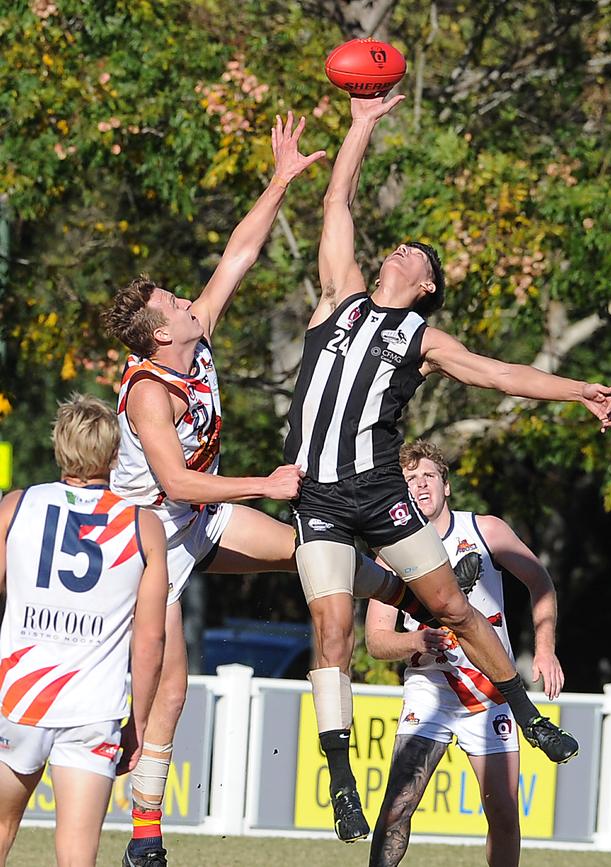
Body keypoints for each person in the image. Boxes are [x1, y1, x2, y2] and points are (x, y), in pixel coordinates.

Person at [282, 93, 611, 842]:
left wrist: (577, 390)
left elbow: (502, 376)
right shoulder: (338, 297)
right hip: (321, 499)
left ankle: (525, 714)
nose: (399, 251)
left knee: (455, 609)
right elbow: (337, 199)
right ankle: (343, 786)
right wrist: (361, 125)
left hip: (379, 491)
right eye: (397, 245)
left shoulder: (421, 336)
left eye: (416, 254)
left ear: (427, 284)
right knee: (331, 632)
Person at [103, 112, 424, 866]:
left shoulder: (195, 334)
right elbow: (177, 479)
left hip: (191, 519)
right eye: (177, 303)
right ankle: (143, 841)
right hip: (143, 537)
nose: (191, 299)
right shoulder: (150, 390)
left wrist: (280, 178)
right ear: (159, 334)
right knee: (171, 690)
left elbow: (240, 253)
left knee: (310, 552)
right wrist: (270, 481)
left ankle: (422, 599)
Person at [366, 440, 565, 867]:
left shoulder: (485, 530)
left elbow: (541, 583)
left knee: (503, 815)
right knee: (398, 806)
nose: (420, 486)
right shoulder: (390, 552)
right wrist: (415, 642)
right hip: (430, 692)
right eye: (410, 480)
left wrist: (545, 650)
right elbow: (376, 640)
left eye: (428, 477)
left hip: (491, 689)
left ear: (446, 485)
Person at [0, 394, 167, 867]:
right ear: (115, 455)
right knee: (77, 855)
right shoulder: (142, 525)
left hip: (19, 698)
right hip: (93, 708)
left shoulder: (18, 505)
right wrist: (139, 721)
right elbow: (151, 638)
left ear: (58, 446)